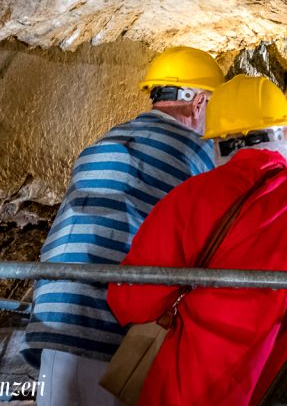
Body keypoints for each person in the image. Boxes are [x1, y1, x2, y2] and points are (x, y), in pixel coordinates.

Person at [107, 75, 287, 405]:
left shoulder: (188, 198)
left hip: (193, 389)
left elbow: (131, 300)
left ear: (218, 142)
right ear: (286, 136)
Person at [23, 46, 224, 406]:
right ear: (198, 103)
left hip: (53, 310)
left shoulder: (108, 140)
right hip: (111, 322)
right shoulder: (195, 155)